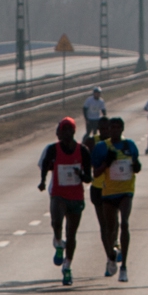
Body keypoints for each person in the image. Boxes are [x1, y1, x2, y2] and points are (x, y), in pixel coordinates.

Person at [37, 117, 92, 286]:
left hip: (75, 196)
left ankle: (67, 266)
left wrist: (80, 174)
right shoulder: (53, 149)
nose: (66, 133)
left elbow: (89, 178)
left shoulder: (83, 151)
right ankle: (58, 243)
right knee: (56, 222)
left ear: (74, 131)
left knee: (72, 234)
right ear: (59, 133)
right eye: (63, 130)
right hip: (58, 194)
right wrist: (43, 181)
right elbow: (45, 165)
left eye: (69, 130)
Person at [91, 117, 141, 282]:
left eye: (117, 128)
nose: (114, 130)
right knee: (110, 228)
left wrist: (136, 166)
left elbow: (136, 165)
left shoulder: (129, 145)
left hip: (126, 191)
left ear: (122, 129)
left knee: (125, 223)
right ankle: (111, 256)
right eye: (112, 128)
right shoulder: (101, 147)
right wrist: (107, 162)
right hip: (108, 193)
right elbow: (96, 174)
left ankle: (124, 266)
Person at [83, 117, 120, 273]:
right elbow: (89, 163)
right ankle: (109, 257)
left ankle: (115, 243)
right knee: (104, 225)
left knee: (115, 222)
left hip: (114, 187)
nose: (105, 132)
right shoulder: (93, 143)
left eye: (107, 129)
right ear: (98, 129)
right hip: (98, 188)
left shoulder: (118, 143)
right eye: (102, 129)